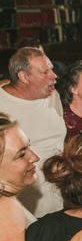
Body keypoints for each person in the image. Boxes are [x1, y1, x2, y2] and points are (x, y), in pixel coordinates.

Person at [0, 47, 65, 217]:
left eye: (51, 68)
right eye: (45, 72)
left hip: (61, 201)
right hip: (23, 209)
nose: (54, 75)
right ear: (23, 76)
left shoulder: (52, 95)